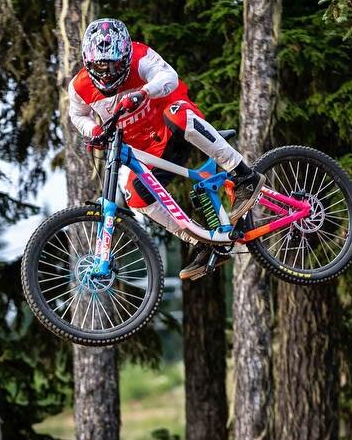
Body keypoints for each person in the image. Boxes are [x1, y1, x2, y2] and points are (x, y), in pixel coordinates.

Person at [67, 17, 262, 280]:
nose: (108, 73)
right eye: (100, 67)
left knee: (176, 112)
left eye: (115, 65)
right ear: (88, 62)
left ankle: (244, 175)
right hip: (148, 152)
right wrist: (94, 131)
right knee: (136, 196)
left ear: (124, 57)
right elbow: (78, 116)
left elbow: (169, 77)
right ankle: (203, 243)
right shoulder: (79, 87)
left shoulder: (140, 56)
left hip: (175, 128)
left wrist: (145, 92)